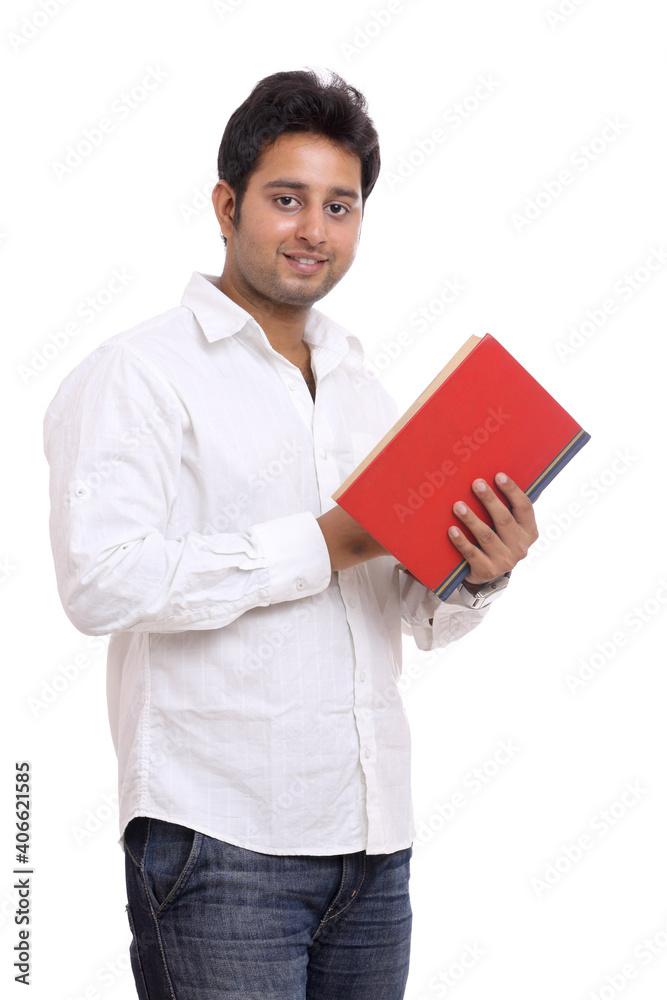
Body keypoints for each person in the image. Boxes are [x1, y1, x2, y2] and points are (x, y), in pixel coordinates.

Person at [43, 68, 538, 1000]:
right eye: (286, 199)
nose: (314, 230)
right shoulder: (135, 376)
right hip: (218, 843)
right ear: (227, 205)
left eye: (339, 206)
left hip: (370, 845)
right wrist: (326, 542)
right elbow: (98, 581)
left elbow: (411, 619)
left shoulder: (362, 388)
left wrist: (475, 573)